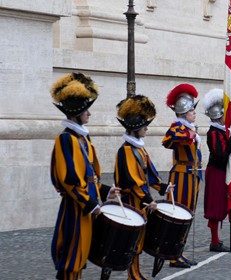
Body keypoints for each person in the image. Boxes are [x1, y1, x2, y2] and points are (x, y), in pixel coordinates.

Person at [50, 73, 110, 279]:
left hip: (86, 206)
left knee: (81, 255)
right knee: (71, 257)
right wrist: (90, 203)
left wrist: (106, 191)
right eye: (86, 109)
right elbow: (70, 180)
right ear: (76, 112)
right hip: (76, 207)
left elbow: (91, 174)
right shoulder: (66, 139)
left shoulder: (83, 138)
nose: (89, 114)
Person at [114, 95, 168, 279]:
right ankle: (132, 274)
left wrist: (162, 187)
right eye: (144, 125)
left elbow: (149, 173)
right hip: (131, 201)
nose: (147, 128)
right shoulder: (127, 150)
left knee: (139, 238)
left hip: (140, 201)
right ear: (136, 128)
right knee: (133, 239)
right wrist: (148, 200)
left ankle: (136, 272)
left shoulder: (139, 149)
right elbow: (132, 180)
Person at [162, 83, 201, 268]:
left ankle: (179, 251)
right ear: (184, 112)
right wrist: (190, 136)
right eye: (192, 110)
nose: (194, 113)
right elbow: (168, 140)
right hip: (180, 176)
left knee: (189, 214)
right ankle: (173, 254)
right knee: (179, 214)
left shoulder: (191, 128)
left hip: (192, 176)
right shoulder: (177, 127)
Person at [202, 88, 231, 252]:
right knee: (215, 206)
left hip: (221, 171)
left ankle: (216, 240)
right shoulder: (214, 133)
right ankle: (214, 241)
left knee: (220, 204)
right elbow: (220, 156)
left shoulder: (221, 131)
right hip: (216, 171)